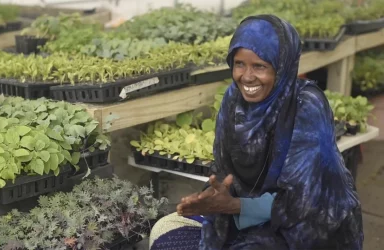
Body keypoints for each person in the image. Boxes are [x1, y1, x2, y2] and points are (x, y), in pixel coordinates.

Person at [149, 14, 363, 250]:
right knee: (164, 229)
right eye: (240, 64)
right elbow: (223, 173)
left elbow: (305, 201)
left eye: (260, 66)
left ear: (282, 67)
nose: (247, 77)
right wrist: (212, 197)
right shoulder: (233, 99)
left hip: (312, 227)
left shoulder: (305, 105)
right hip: (246, 215)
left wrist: (234, 206)